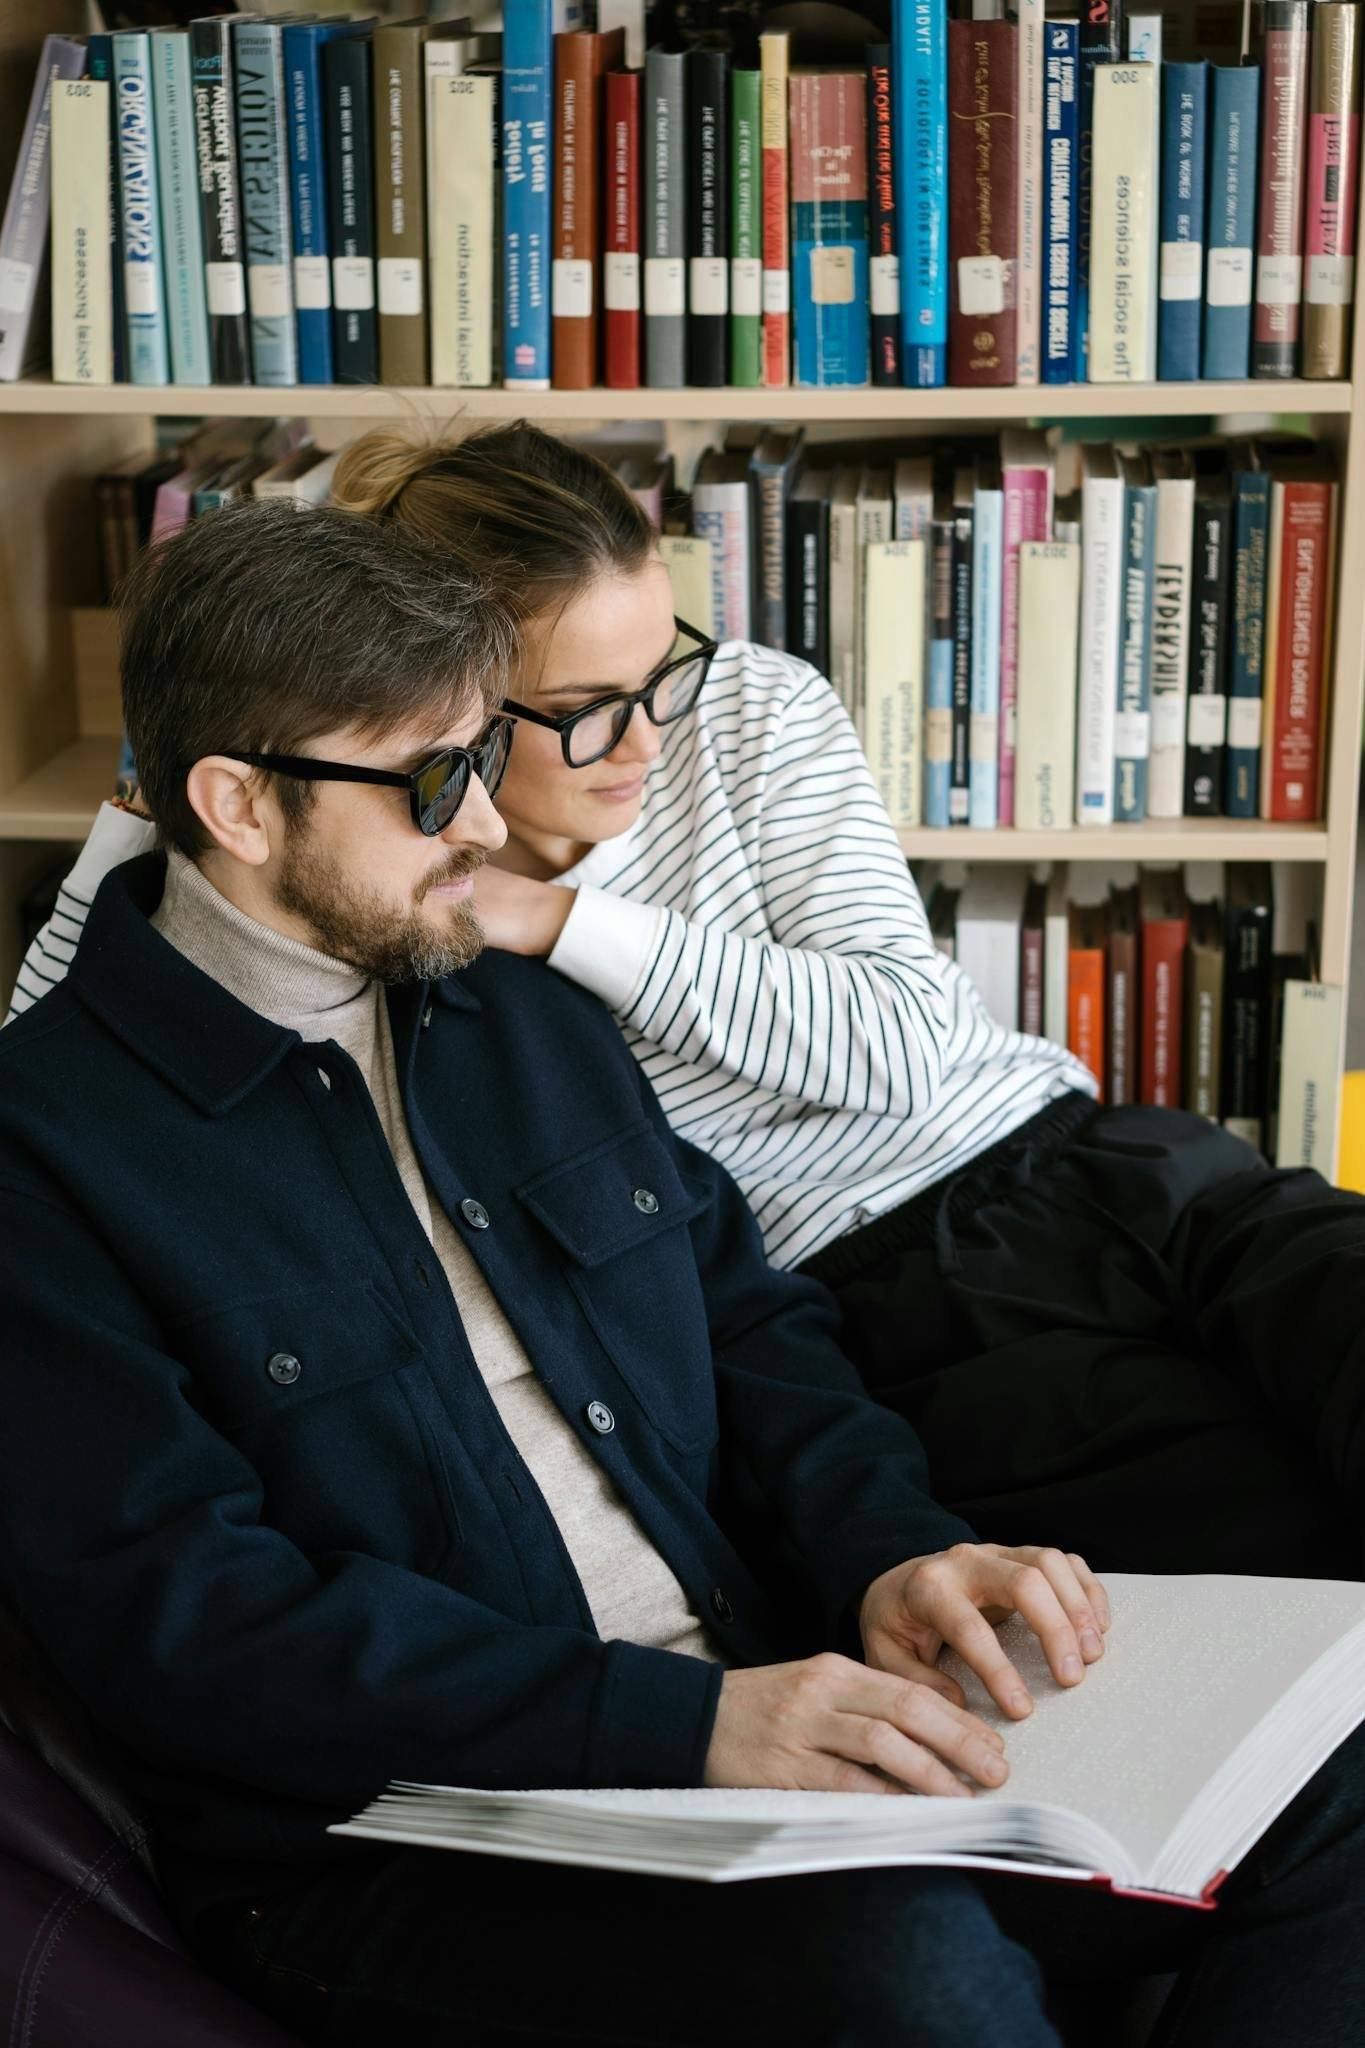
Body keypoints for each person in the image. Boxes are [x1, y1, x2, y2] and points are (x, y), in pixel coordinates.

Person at [4, 499, 1365, 2048]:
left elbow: (752, 1324)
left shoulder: (510, 1010)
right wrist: (690, 1723)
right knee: (906, 1967)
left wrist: (894, 1558)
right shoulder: (45, 1154)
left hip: (770, 1704)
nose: (483, 826)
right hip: (411, 1835)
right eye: (432, 781)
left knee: (1339, 1779)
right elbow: (185, 1618)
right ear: (237, 806)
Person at [15, 426, 1362, 1580]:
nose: (650, 738)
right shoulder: (378, 894)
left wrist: (559, 920)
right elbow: (70, 1057)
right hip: (877, 1284)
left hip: (1087, 1157)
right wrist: (162, 786)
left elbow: (903, 1044)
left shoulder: (744, 713)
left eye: (662, 667)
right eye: (587, 707)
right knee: (1269, 1562)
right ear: (458, 700)